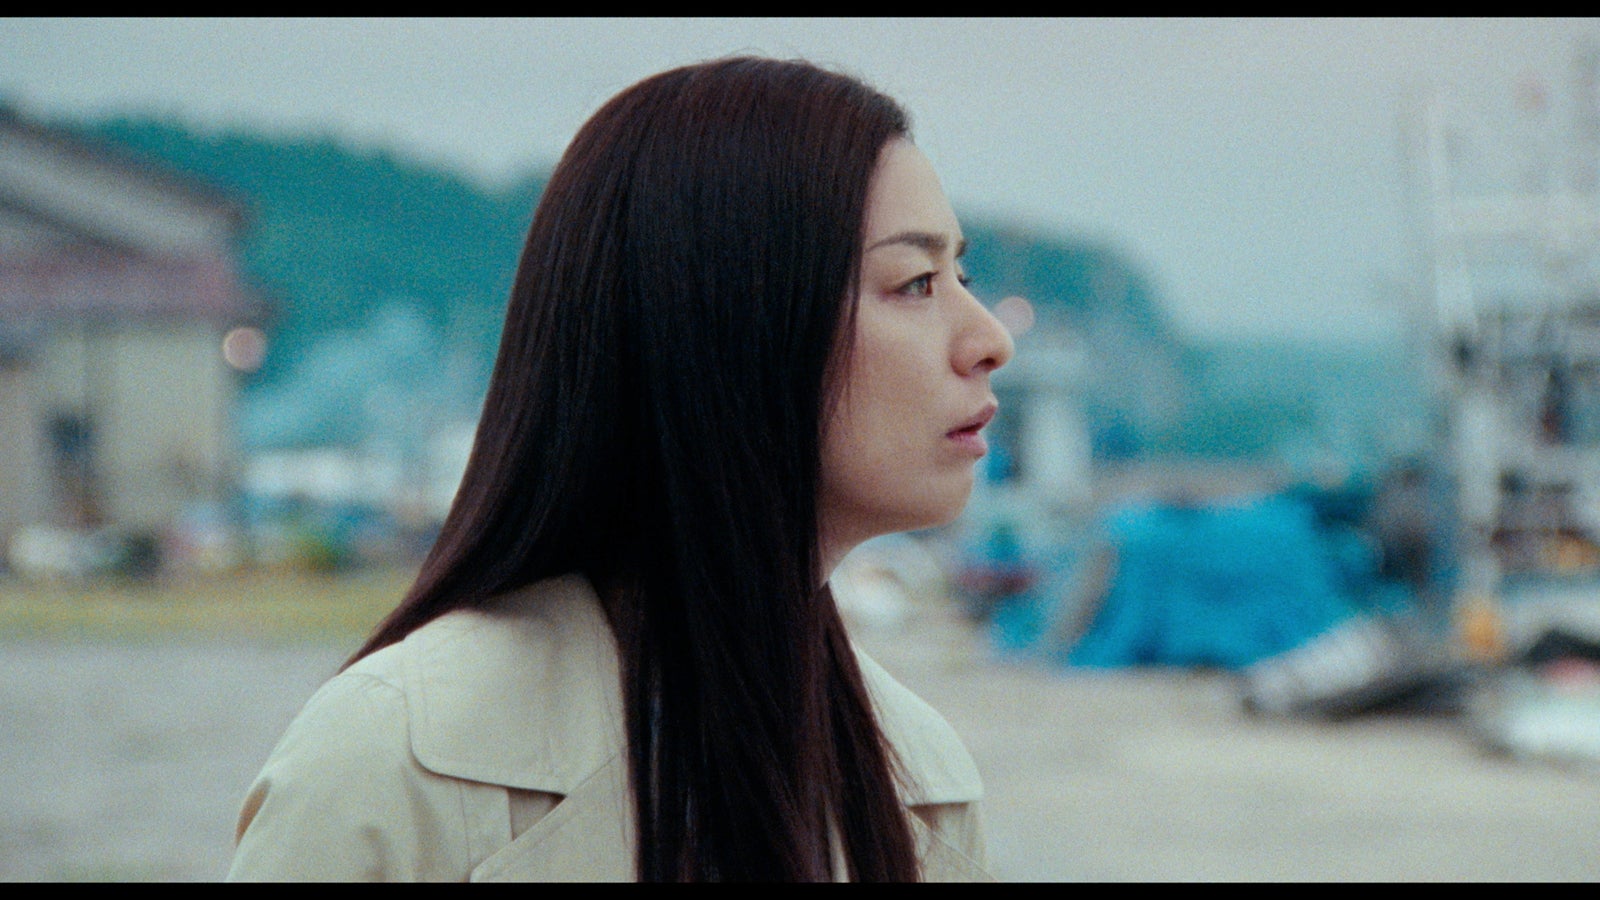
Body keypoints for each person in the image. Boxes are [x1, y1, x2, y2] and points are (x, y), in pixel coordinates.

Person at [227, 55, 1013, 883]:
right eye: (915, 282)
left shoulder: (921, 782)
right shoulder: (391, 760)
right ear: (723, 319)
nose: (990, 339)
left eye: (960, 275)